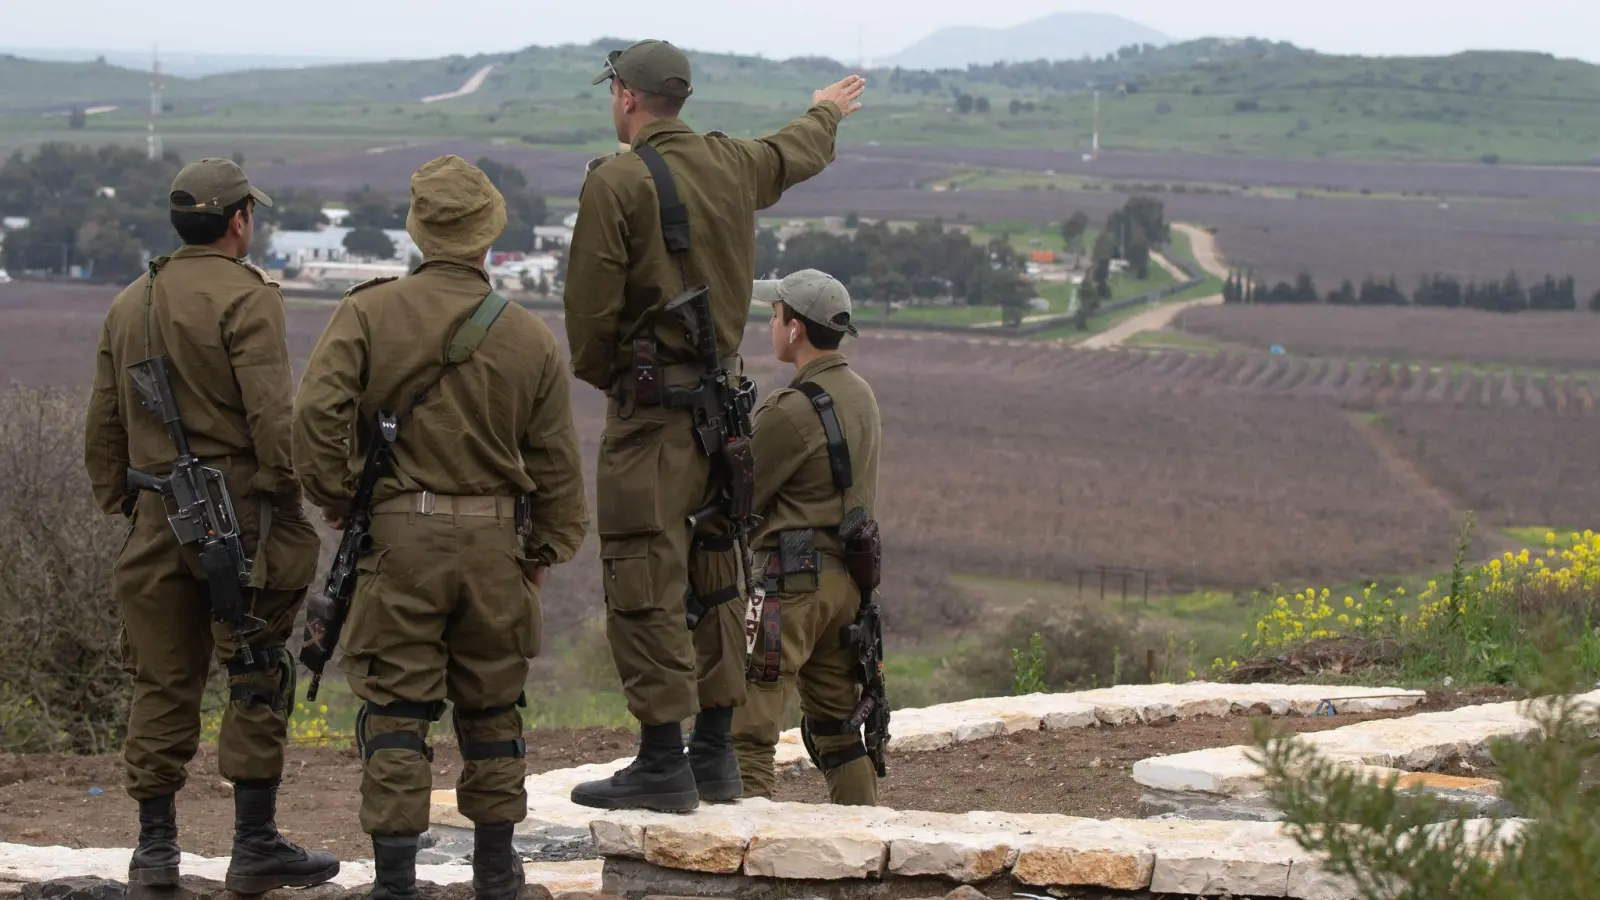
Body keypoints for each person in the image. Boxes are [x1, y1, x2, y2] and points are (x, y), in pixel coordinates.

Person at [561, 37, 866, 812]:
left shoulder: (618, 181)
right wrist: (825, 112)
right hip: (723, 419)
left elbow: (589, 323)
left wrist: (621, 385)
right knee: (716, 579)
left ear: (626, 97)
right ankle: (713, 756)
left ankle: (662, 759)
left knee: (643, 577)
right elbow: (792, 151)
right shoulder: (731, 164)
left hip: (654, 423)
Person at [291, 155, 588, 900]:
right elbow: (555, 462)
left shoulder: (366, 312)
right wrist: (543, 550)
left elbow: (314, 417)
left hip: (398, 544)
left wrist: (340, 496)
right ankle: (496, 872)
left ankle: (396, 882)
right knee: (492, 708)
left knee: (395, 710)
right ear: (490, 237)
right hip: (496, 547)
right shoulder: (528, 336)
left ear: (418, 231)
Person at [82, 158, 338, 892]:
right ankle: (254, 844)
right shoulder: (248, 297)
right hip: (238, 520)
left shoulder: (130, 301)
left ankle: (154, 852)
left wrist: (128, 505)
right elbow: (271, 419)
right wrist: (293, 498)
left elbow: (103, 426)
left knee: (160, 681)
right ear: (238, 222)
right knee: (257, 672)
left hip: (157, 513)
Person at [731, 270, 882, 805]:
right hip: (846, 585)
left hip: (789, 589)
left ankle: (745, 850)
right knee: (839, 732)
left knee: (746, 725)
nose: (770, 325)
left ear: (796, 329)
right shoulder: (861, 395)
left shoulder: (791, 408)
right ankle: (866, 847)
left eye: (774, 316)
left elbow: (740, 498)